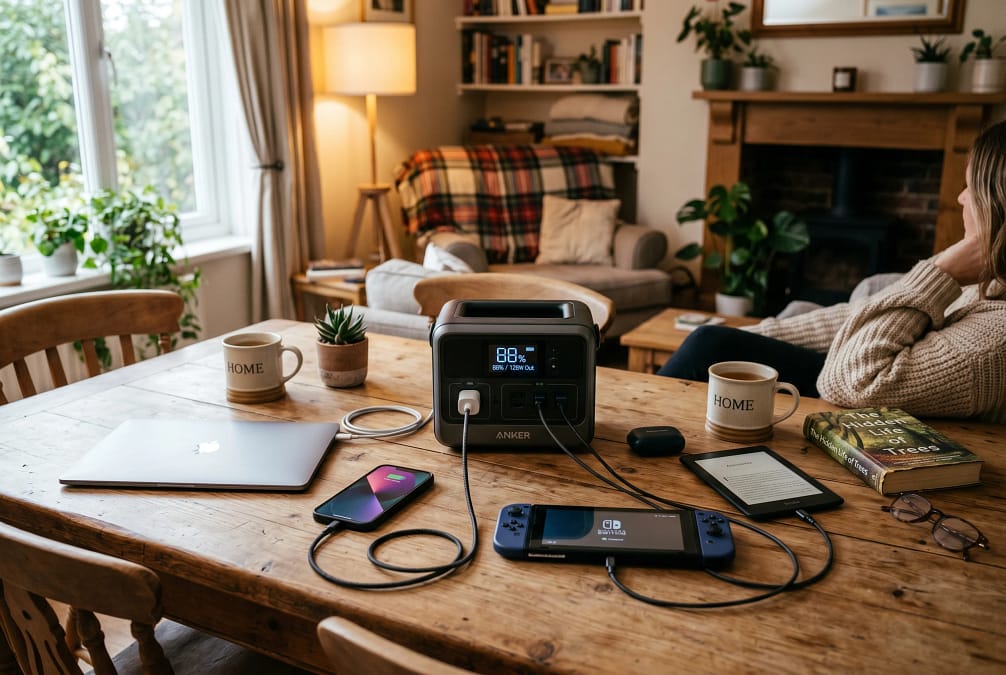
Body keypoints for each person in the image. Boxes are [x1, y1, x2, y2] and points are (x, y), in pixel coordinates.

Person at [659, 118, 1006, 423]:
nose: (960, 198)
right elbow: (858, 316)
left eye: (970, 188)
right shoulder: (983, 286)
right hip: (862, 383)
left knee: (710, 346)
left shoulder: (994, 342)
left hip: (857, 395)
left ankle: (642, 432)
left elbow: (852, 380)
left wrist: (938, 271)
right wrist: (756, 335)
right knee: (710, 341)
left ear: (997, 205)